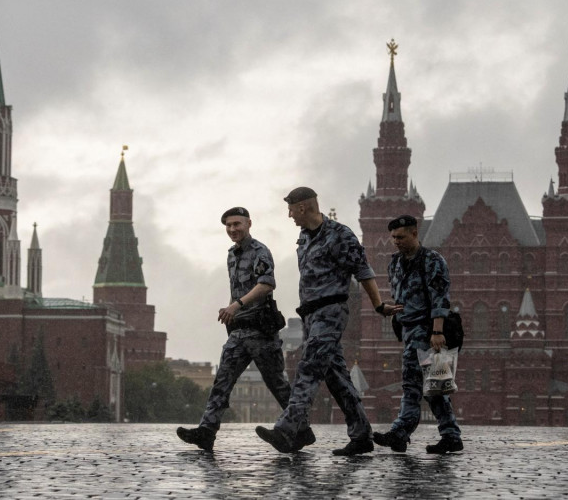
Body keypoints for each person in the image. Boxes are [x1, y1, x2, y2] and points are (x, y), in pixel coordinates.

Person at [255, 187, 398, 456]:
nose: (288, 215)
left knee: (308, 368)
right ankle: (362, 435)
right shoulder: (304, 237)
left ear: (302, 207)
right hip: (310, 315)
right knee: (337, 378)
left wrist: (378, 305)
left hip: (331, 311)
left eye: (290, 209)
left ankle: (288, 430)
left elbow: (364, 271)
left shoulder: (340, 235)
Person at [177, 207, 314, 452]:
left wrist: (236, 305)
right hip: (239, 332)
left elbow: (266, 285)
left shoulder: (260, 252)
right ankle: (207, 431)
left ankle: (302, 429)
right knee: (222, 381)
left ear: (249, 223)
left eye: (237, 224)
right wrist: (233, 315)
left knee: (276, 384)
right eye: (228, 225)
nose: (232, 229)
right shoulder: (232, 254)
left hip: (261, 331)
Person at [371, 215, 463, 454]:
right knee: (436, 386)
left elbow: (440, 297)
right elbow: (402, 295)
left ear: (414, 233)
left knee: (412, 383)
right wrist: (392, 309)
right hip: (409, 329)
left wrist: (437, 331)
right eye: (392, 237)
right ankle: (451, 435)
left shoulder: (432, 260)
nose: (395, 241)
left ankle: (400, 431)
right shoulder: (395, 263)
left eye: (400, 237)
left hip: (428, 331)